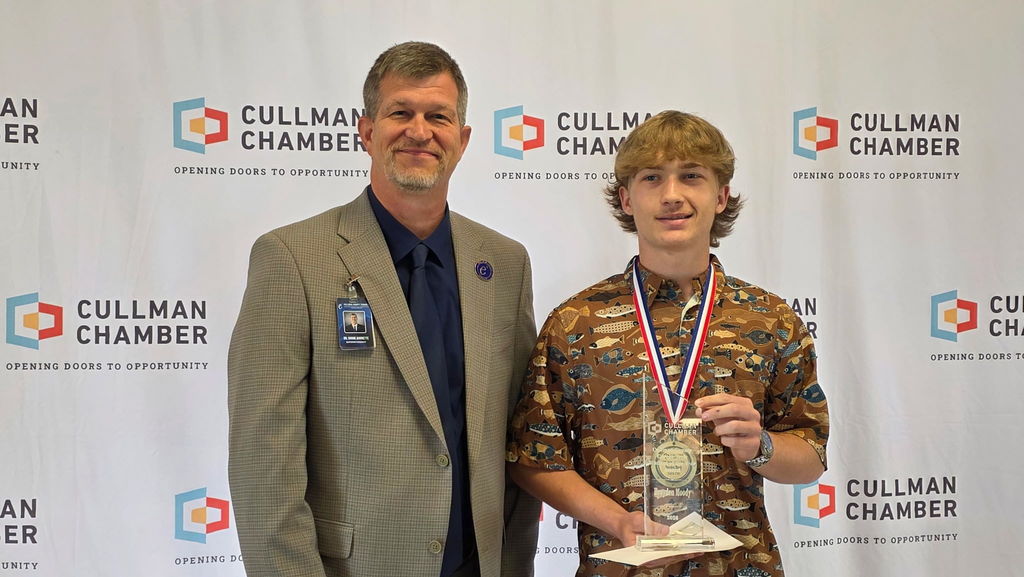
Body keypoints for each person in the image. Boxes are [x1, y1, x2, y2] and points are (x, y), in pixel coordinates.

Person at [229, 41, 539, 577]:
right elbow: (264, 466)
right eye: (401, 112)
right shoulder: (291, 259)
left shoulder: (505, 264)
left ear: (462, 140)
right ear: (367, 131)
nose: (420, 131)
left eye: (438, 116)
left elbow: (516, 442)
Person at [507, 111, 829, 577]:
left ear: (720, 196)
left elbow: (810, 456)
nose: (672, 195)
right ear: (626, 197)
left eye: (691, 176)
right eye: (652, 177)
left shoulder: (771, 319)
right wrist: (616, 519)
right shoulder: (576, 323)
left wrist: (760, 446)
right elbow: (533, 461)